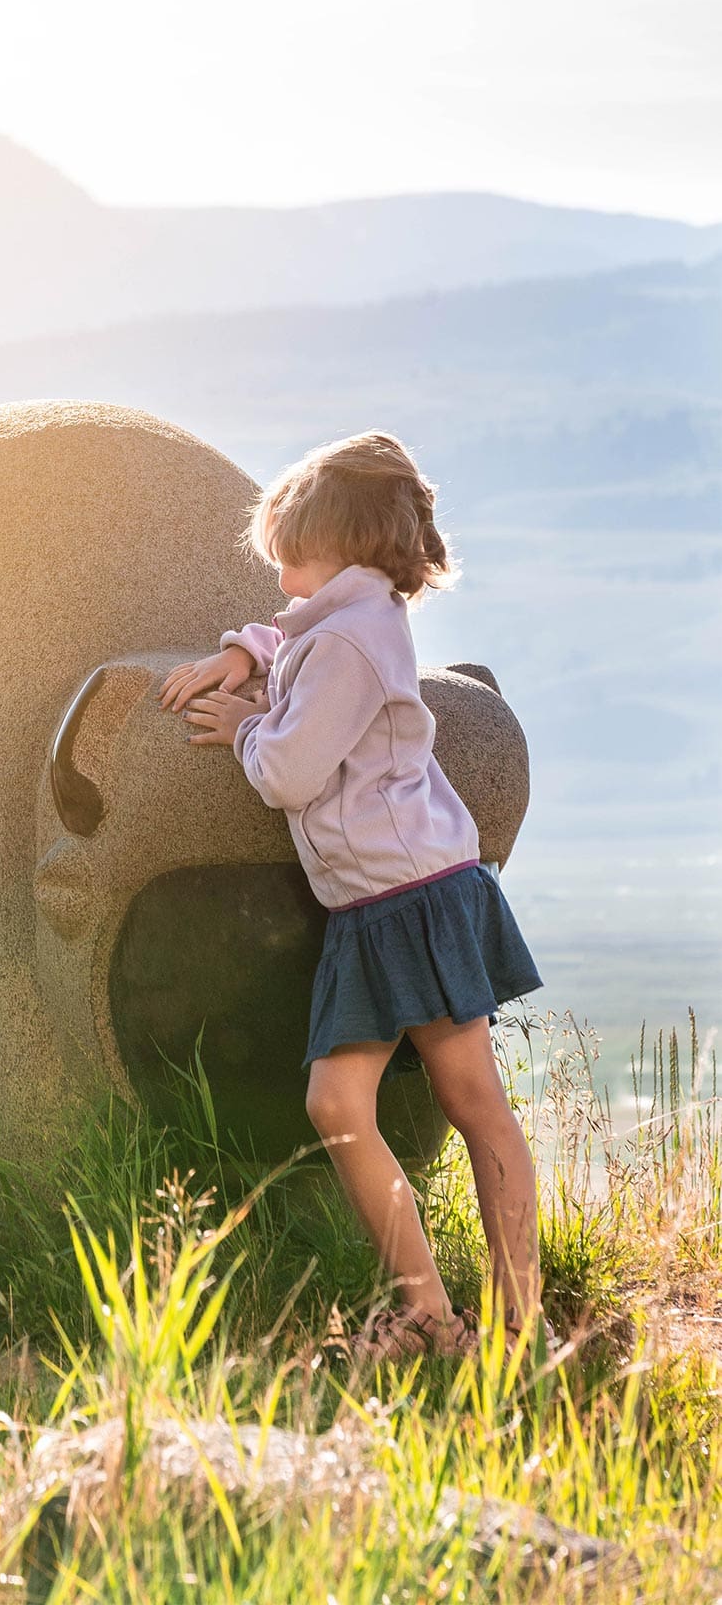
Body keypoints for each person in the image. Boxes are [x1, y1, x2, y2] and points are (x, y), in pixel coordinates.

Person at [159, 431, 545, 1362]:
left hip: (411, 897)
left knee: (471, 1105)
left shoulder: (354, 642)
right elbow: (295, 633)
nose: (280, 567)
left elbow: (290, 770)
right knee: (341, 1104)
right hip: (379, 902)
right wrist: (243, 653)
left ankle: (510, 1321)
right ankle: (435, 1317)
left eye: (291, 545)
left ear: (340, 543)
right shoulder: (347, 619)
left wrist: (249, 726)